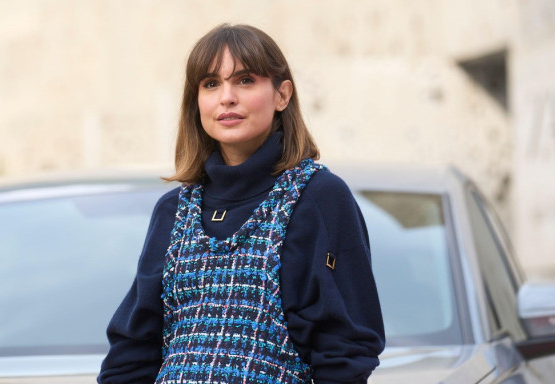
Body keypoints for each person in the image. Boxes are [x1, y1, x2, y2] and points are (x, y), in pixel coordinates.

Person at [98, 24, 385, 384]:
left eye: (245, 80)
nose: (226, 97)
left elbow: (345, 350)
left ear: (282, 95)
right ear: (196, 101)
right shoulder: (173, 211)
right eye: (210, 84)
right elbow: (132, 351)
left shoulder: (319, 198)